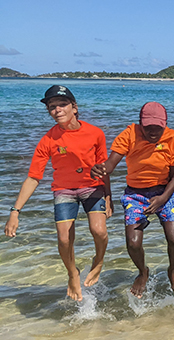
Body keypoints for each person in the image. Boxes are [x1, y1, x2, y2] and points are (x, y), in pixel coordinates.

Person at [4, 85, 111, 302]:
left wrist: (108, 198)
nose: (57, 110)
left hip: (92, 187)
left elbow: (104, 169)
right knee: (63, 239)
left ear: (75, 107)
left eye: (62, 104)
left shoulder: (95, 133)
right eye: (52, 107)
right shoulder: (48, 140)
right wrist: (15, 211)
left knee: (98, 231)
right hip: (64, 190)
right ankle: (73, 273)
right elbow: (34, 176)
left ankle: (98, 260)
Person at [91, 102, 174, 298]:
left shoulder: (172, 137)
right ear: (140, 123)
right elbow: (110, 164)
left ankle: (172, 270)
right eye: (147, 126)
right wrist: (101, 169)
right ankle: (143, 272)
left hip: (164, 192)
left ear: (164, 124)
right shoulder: (129, 135)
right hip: (135, 194)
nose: (152, 131)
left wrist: (162, 199)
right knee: (133, 243)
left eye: (157, 127)